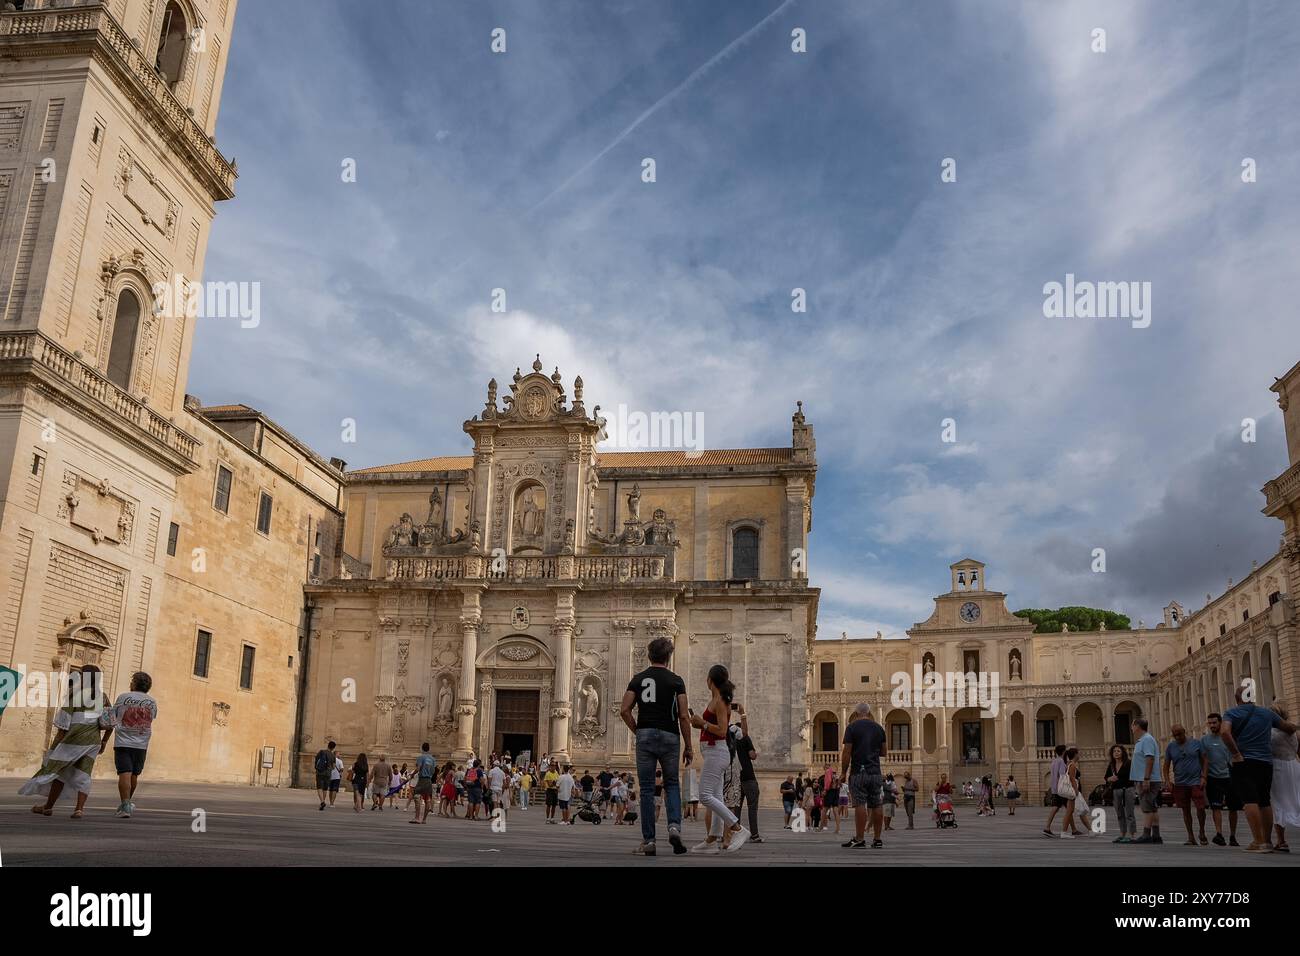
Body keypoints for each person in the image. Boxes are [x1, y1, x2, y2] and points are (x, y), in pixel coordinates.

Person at [619, 636, 693, 856]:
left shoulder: (638, 679)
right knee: (671, 785)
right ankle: (673, 827)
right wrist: (689, 746)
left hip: (645, 735)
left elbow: (624, 710)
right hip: (670, 736)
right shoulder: (676, 681)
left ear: (650, 656)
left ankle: (649, 841)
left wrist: (639, 730)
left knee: (648, 789)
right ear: (668, 657)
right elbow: (683, 715)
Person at [21, 665, 113, 819]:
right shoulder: (102, 696)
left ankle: (48, 807)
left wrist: (57, 744)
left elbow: (64, 721)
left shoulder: (75, 694)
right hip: (92, 741)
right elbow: (110, 720)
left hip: (73, 739)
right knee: (84, 773)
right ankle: (79, 809)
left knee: (59, 772)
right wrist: (104, 741)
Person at [1222, 686, 1298, 853]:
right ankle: (1268, 841)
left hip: (1244, 762)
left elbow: (1225, 732)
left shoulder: (1231, 713)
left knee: (1250, 800)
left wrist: (1235, 753)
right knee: (1264, 801)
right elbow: (1288, 727)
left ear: (1237, 698)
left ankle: (1258, 841)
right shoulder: (1266, 713)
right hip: (1266, 763)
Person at [688, 663, 748, 853]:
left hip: (716, 752)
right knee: (715, 797)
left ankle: (737, 828)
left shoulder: (720, 701)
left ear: (711, 680)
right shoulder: (717, 699)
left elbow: (722, 731)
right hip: (713, 752)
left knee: (705, 795)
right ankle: (712, 839)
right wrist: (700, 723)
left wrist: (702, 723)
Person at [108, 671, 157, 819]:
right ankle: (127, 803)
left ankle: (125, 805)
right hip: (141, 743)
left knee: (124, 773)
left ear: (135, 683)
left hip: (123, 741)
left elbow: (113, 716)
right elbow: (152, 717)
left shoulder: (123, 697)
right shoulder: (152, 702)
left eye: (132, 681)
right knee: (134, 774)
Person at [840, 702, 887, 849]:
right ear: (868, 712)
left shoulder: (852, 727)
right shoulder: (879, 729)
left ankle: (860, 839)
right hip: (875, 772)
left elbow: (847, 752)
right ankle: (877, 839)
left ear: (856, 713)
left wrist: (843, 772)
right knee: (877, 804)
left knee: (860, 803)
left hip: (859, 772)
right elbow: (884, 753)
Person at [1163, 724, 1208, 846]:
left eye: (1179, 734)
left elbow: (1204, 760)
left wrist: (1204, 776)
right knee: (1185, 810)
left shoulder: (1196, 743)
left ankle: (1202, 831)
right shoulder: (1170, 747)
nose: (1177, 737)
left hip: (1196, 781)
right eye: (1175, 735)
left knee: (1200, 807)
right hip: (1180, 782)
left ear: (1184, 731)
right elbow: (1166, 765)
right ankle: (1191, 836)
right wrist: (1167, 780)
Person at [1202, 714, 1240, 846]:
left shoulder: (1229, 737)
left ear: (1220, 723)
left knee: (1233, 808)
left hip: (1230, 776)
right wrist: (1204, 777)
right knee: (1216, 807)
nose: (1212, 725)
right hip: (1213, 778)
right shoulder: (1205, 740)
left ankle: (1233, 836)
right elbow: (1203, 759)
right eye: (1210, 723)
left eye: (1214, 723)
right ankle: (1219, 834)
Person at [1269, 704, 1299, 852]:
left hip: (1278, 768)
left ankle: (1281, 841)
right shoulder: (1293, 731)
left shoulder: (1271, 733)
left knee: (1278, 803)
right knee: (1296, 799)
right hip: (1294, 765)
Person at [730, 704, 762, 842]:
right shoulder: (745, 738)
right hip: (749, 778)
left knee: (736, 809)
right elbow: (752, 755)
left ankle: (734, 834)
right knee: (752, 808)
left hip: (736, 779)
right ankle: (754, 835)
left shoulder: (730, 740)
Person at [1131, 717, 1163, 844]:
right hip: (1147, 778)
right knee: (1153, 807)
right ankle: (1156, 835)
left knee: (1147, 808)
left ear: (1137, 726)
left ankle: (1146, 834)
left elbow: (1149, 758)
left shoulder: (1147, 740)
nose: (1131, 728)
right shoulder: (1143, 740)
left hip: (1147, 779)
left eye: (1132, 725)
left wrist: (1146, 779)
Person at [1105, 744, 1136, 843]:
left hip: (1128, 789)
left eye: (1118, 751)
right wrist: (1110, 778)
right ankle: (1122, 833)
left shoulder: (1129, 763)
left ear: (1122, 752)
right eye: (1114, 751)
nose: (1116, 753)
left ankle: (1132, 834)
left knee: (1129, 813)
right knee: (1119, 813)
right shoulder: (1111, 765)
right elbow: (1106, 777)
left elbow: (1134, 776)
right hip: (1116, 790)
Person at [1042, 743, 1069, 837]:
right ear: (1064, 752)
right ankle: (1048, 827)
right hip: (1061, 788)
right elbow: (1062, 775)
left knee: (1062, 808)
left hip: (1054, 787)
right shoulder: (1061, 762)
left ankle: (1048, 827)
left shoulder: (1054, 761)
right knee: (1066, 808)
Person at [410, 743, 436, 824]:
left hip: (422, 779)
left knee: (417, 797)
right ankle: (424, 819)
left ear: (422, 748)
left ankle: (417, 817)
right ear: (429, 749)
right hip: (429, 780)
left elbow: (418, 768)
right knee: (427, 799)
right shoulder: (432, 759)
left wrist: (413, 774)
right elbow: (433, 770)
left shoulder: (420, 757)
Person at [314, 740, 338, 811]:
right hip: (328, 773)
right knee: (325, 788)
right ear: (333, 748)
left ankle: (322, 802)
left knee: (319, 787)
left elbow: (316, 760)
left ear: (328, 745)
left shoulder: (321, 752)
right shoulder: (333, 755)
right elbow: (333, 767)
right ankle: (323, 801)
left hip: (320, 772)